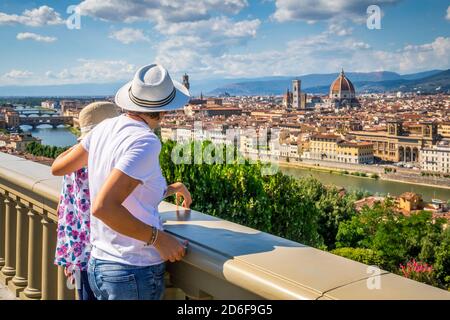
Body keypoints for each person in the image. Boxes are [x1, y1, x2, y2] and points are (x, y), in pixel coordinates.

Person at [51, 63, 192, 300]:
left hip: (99, 263)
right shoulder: (145, 141)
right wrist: (160, 239)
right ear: (165, 110)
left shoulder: (103, 128)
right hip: (132, 268)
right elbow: (103, 207)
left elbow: (60, 167)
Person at [53, 101, 119, 300]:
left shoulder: (72, 162)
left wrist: (70, 254)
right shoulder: (104, 161)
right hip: (104, 254)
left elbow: (64, 208)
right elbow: (125, 198)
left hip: (80, 253)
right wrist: (171, 189)